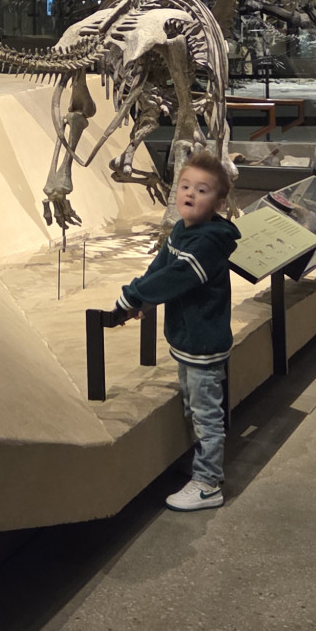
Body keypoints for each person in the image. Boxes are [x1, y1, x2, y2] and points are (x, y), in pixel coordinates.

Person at [105, 150, 240, 511]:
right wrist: (137, 298)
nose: (190, 194)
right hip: (186, 341)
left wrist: (134, 297)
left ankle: (208, 483)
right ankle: (200, 464)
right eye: (184, 186)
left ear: (220, 203)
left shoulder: (208, 243)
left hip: (203, 345)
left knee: (206, 415)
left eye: (202, 190)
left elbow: (176, 277)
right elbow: (160, 267)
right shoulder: (182, 230)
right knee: (192, 407)